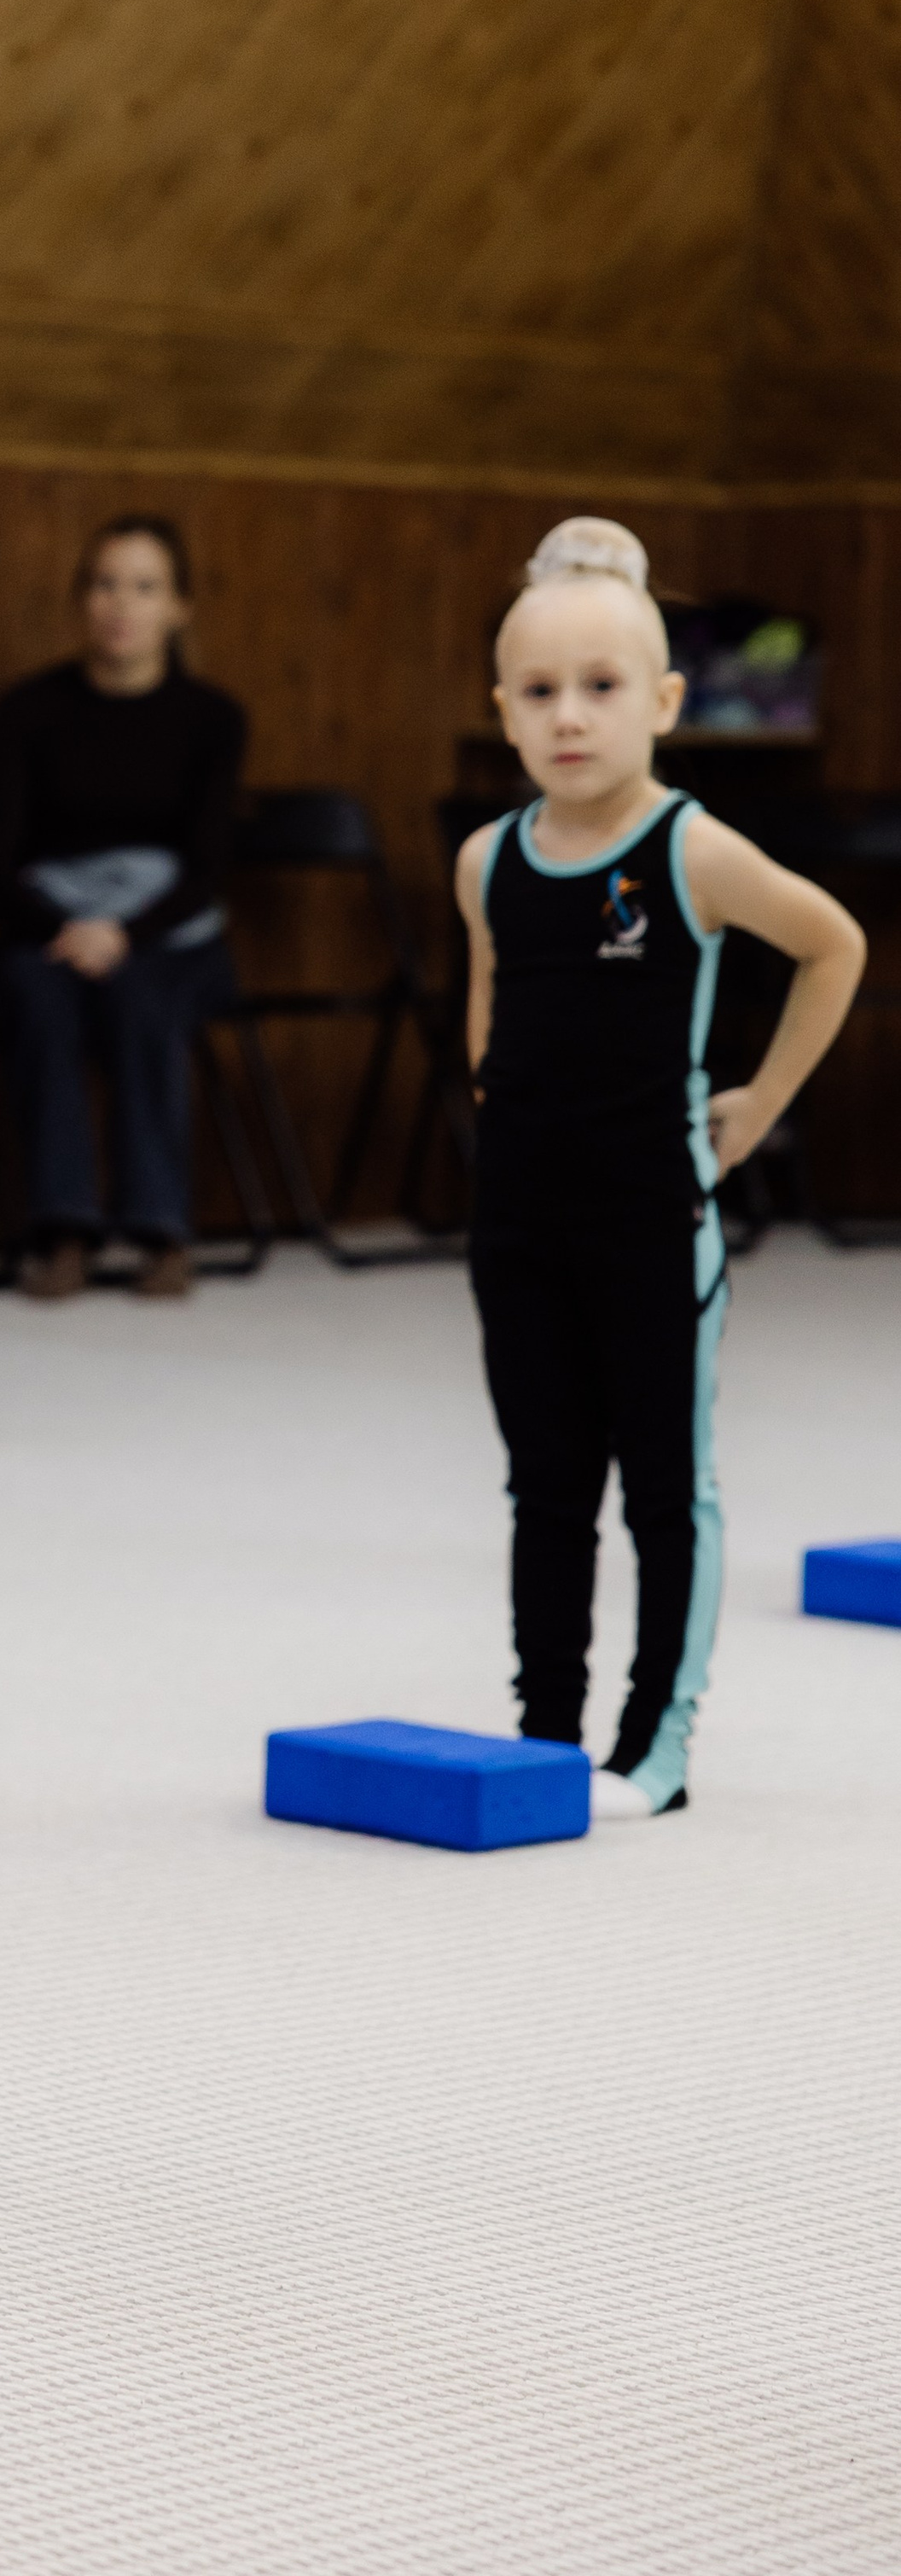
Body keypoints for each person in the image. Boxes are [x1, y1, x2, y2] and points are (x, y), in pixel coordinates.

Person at [456, 517, 864, 1820]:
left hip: (650, 1217)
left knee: (660, 1486)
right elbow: (492, 1018)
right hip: (519, 1222)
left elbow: (833, 944)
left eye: (602, 687)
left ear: (666, 702)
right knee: (546, 1483)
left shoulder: (690, 850)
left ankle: (658, 1742)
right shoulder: (488, 863)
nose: (569, 717)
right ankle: (544, 1725)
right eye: (539, 692)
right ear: (503, 711)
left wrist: (759, 1104)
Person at [0, 515, 246, 1300]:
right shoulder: (28, 712)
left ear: (178, 608)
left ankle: (160, 1230)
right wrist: (71, 932)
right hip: (49, 929)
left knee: (141, 997)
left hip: (168, 933)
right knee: (36, 997)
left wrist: (123, 934)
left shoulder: (213, 719)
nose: (120, 603)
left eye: (144, 586)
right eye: (104, 583)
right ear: (81, 599)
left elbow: (209, 867)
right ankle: (62, 1229)